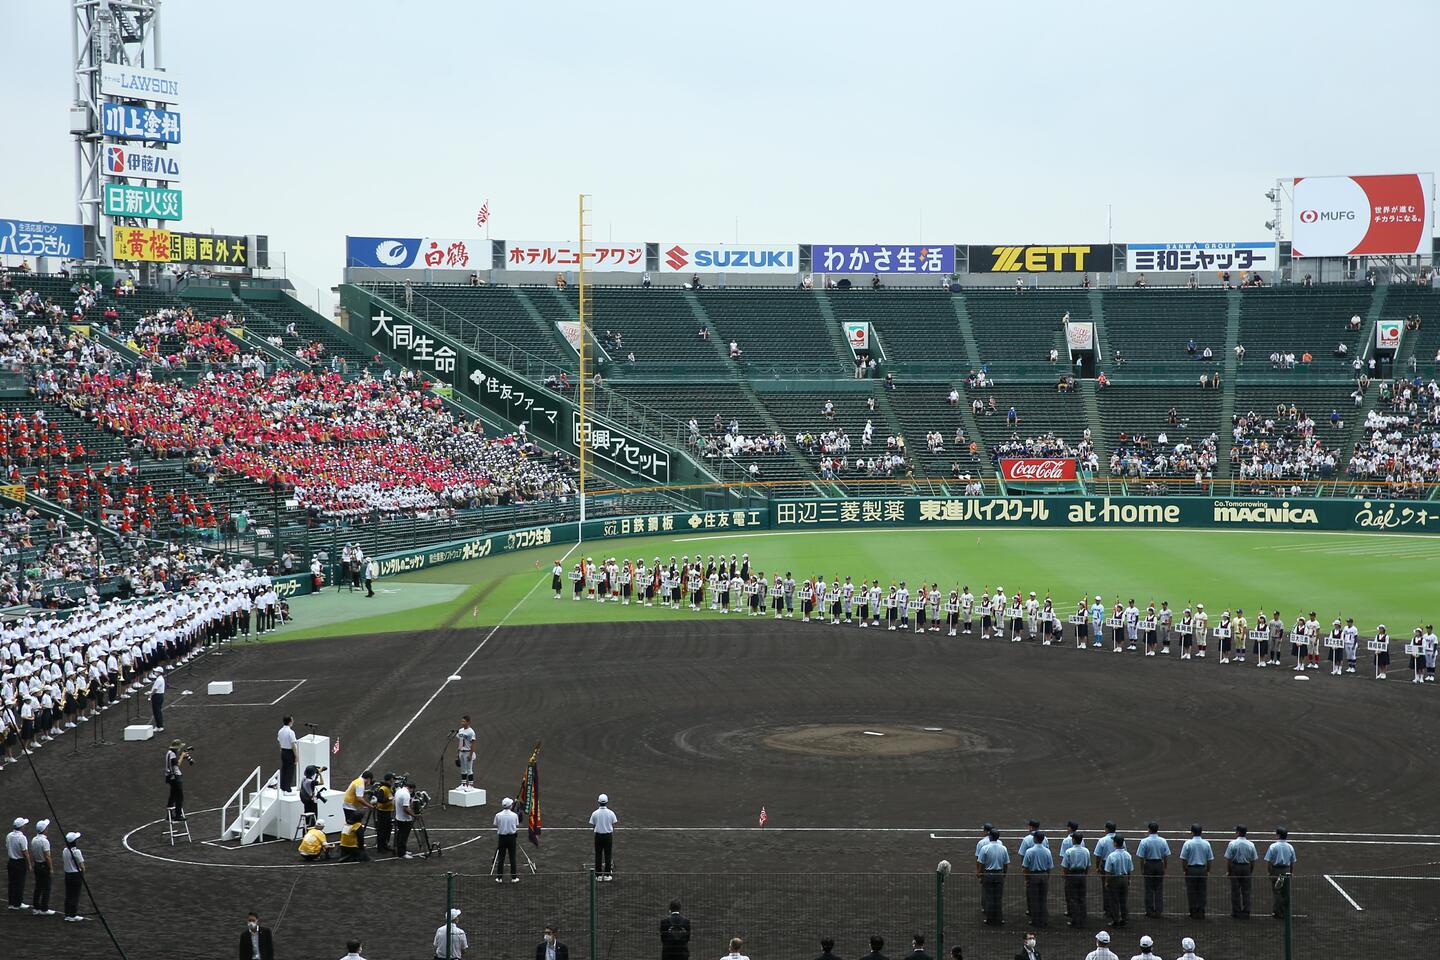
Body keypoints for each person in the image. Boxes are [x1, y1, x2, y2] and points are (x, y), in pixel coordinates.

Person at [1179, 824, 1213, 919]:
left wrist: (1185, 870)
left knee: (1191, 891)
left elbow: (1184, 859)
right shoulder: (1206, 843)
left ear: (1192, 832)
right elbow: (1210, 859)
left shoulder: (1188, 843)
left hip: (1191, 869)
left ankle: (1193, 912)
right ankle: (1201, 911)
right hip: (1202, 869)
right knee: (1202, 891)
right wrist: (1208, 871)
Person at [1135, 822, 1169, 918]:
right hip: (1159, 864)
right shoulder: (1163, 841)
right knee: (1158, 889)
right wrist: (1164, 867)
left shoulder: (1144, 841)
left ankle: (1149, 911)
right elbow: (1166, 856)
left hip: (1149, 864)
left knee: (1149, 889)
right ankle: (1158, 910)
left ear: (1149, 829)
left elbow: (1141, 857)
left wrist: (1142, 868)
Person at [977, 828, 1009, 925]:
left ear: (990, 837)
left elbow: (981, 863)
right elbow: (1006, 864)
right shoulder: (1003, 848)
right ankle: (999, 919)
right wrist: (1004, 875)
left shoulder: (985, 848)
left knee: (989, 897)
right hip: (999, 874)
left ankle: (990, 919)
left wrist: (980, 874)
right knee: (998, 898)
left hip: (988, 874)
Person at [1224, 825, 1258, 918]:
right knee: (1246, 891)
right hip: (1246, 868)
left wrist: (1229, 871)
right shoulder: (1251, 844)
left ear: (1238, 832)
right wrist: (1250, 871)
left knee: (1235, 891)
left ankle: (1236, 911)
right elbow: (1253, 860)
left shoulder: (1232, 844)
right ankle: (1246, 911)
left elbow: (1229, 860)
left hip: (1236, 868)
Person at [1022, 830, 1054, 927]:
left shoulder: (1029, 851)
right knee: (1043, 899)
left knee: (1034, 899)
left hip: (1033, 876)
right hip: (1044, 875)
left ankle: (1035, 921)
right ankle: (1044, 920)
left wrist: (1027, 879)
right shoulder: (1047, 851)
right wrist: (1047, 877)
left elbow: (1025, 867)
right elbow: (1049, 867)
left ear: (1034, 839)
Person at [1264, 827, 1296, 919]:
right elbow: (1292, 862)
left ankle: (1278, 912)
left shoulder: (1273, 846)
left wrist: (1270, 873)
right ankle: (1284, 911)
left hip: (1276, 871)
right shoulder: (1290, 847)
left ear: (1278, 835)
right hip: (1286, 870)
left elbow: (1269, 862)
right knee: (1284, 892)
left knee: (1277, 892)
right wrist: (1290, 873)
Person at [1061, 830, 1091, 928]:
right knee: (1082, 898)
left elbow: (1065, 866)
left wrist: (1066, 876)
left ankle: (1075, 920)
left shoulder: (1069, 851)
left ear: (1073, 840)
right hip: (1082, 875)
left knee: (1073, 898)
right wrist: (1085, 875)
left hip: (1072, 876)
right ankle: (1083, 919)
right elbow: (1087, 865)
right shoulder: (1086, 851)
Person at [1103, 836, 1134, 926]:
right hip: (1124, 879)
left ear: (1115, 843)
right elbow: (1129, 870)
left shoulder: (1111, 856)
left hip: (1114, 880)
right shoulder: (1128, 855)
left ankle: (1115, 920)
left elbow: (1108, 871)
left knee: (1114, 900)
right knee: (1123, 900)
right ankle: (1124, 919)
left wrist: (1106, 882)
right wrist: (1128, 880)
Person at [591, 792, 617, 880]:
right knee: (608, 855)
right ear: (607, 802)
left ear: (598, 802)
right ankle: (607, 875)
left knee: (598, 855)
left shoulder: (595, 813)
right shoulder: (611, 813)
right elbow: (613, 822)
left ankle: (598, 875)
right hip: (608, 836)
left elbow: (593, 823)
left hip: (598, 836)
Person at [29, 819, 53, 916]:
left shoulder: (34, 839)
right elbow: (47, 856)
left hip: (37, 865)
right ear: (44, 829)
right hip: (43, 865)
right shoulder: (45, 841)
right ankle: (44, 908)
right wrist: (51, 868)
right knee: (46, 887)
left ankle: (36, 907)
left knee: (38, 887)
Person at [494, 796, 520, 881]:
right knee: (512, 857)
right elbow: (516, 824)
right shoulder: (514, 815)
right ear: (510, 805)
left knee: (501, 858)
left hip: (502, 838)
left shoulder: (498, 815)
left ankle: (499, 877)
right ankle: (514, 877)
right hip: (512, 837)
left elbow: (496, 824)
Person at [6, 816, 29, 911]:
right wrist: (29, 864)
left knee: (12, 883)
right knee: (20, 883)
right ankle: (18, 903)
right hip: (20, 862)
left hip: (11, 861)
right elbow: (25, 852)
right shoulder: (22, 837)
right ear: (21, 827)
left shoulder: (9, 835)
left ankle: (11, 903)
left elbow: (7, 846)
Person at [61, 831, 84, 921]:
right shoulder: (77, 852)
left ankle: (67, 914)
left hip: (67, 875)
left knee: (68, 895)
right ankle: (73, 915)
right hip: (75, 875)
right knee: (75, 895)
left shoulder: (65, 850)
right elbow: (82, 866)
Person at [165, 739, 189, 820]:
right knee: (179, 797)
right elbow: (177, 764)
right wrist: (182, 756)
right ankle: (178, 815)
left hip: (170, 777)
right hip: (175, 777)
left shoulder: (169, 753)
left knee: (172, 796)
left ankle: (169, 815)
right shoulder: (172, 754)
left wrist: (181, 757)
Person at [392, 777, 415, 859]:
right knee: (403, 836)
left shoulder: (399, 791)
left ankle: (402, 850)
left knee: (400, 835)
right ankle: (402, 853)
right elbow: (406, 808)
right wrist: (414, 815)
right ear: (410, 788)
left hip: (398, 817)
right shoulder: (406, 795)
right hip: (405, 819)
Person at [278, 716, 299, 792]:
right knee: (290, 770)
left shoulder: (280, 731)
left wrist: (281, 751)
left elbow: (280, 742)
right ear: (290, 722)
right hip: (289, 752)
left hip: (283, 751)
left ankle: (283, 786)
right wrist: (296, 756)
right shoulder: (291, 732)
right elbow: (293, 745)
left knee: (284, 769)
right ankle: (287, 787)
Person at [456, 716, 477, 790]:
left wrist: (471, 754)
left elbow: (473, 743)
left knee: (469, 769)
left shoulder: (471, 732)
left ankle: (471, 785)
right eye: (462, 721)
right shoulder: (461, 730)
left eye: (464, 721)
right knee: (463, 769)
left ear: (468, 722)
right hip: (462, 752)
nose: (462, 723)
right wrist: (458, 751)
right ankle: (463, 784)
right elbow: (461, 742)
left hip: (468, 752)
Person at [150, 666, 166, 731]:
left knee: (157, 711)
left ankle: (159, 726)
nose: (155, 672)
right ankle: (159, 726)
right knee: (157, 711)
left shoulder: (159, 679)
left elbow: (155, 689)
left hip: (157, 696)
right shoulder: (160, 678)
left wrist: (151, 694)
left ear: (159, 673)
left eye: (156, 671)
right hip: (159, 696)